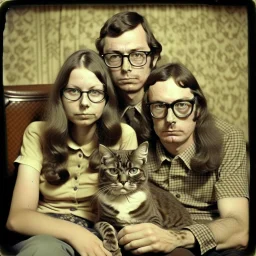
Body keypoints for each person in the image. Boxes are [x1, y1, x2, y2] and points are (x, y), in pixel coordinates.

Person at [6, 49, 138, 256]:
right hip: (42, 232)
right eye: (73, 91)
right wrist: (75, 233)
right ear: (60, 95)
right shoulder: (37, 132)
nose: (84, 103)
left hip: (99, 231)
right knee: (45, 250)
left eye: (94, 92)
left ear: (106, 98)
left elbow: (126, 210)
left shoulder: (123, 135)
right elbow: (17, 218)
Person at [117, 63, 249, 256]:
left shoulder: (227, 138)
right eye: (160, 106)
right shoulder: (136, 140)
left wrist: (176, 238)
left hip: (213, 240)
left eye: (181, 105)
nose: (170, 118)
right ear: (149, 112)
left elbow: (239, 228)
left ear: (197, 109)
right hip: (152, 234)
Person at [95, 11, 162, 143]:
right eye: (114, 56)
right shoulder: (93, 109)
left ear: (153, 59)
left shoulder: (172, 109)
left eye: (137, 55)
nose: (125, 68)